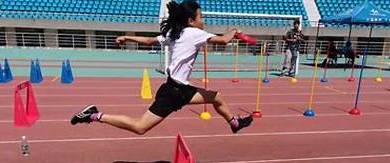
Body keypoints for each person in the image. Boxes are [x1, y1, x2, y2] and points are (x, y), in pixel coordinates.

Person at [71, 0, 253, 135]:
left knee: (217, 97)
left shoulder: (176, 33)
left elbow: (150, 41)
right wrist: (234, 31)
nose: (203, 20)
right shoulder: (194, 33)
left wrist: (127, 37)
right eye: (201, 16)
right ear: (191, 20)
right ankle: (94, 115)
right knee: (140, 127)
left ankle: (234, 123)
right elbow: (222, 40)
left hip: (179, 89)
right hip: (175, 92)